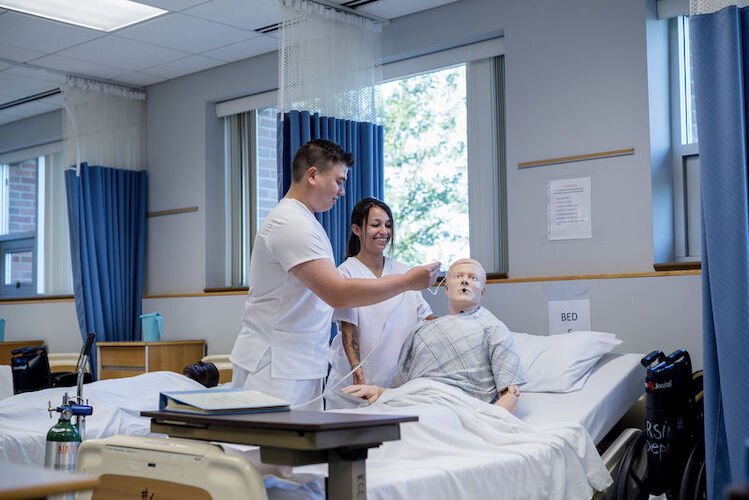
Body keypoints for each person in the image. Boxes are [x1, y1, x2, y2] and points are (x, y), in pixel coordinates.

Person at [230, 139, 440, 410]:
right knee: (264, 449)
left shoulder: (307, 222)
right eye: (339, 181)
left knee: (299, 450)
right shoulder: (290, 223)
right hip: (275, 366)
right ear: (313, 175)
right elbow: (337, 294)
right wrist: (409, 282)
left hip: (299, 364)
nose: (342, 192)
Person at [342, 258, 526, 413]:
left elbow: (510, 392)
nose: (464, 281)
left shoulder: (493, 328)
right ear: (446, 288)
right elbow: (400, 388)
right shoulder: (421, 331)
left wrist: (488, 421)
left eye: (473, 278)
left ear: (482, 292)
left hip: (459, 408)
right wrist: (380, 393)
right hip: (412, 403)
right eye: (458, 276)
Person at [325, 198, 436, 409]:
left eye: (388, 225)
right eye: (375, 225)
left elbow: (427, 320)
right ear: (357, 229)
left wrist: (461, 320)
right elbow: (349, 329)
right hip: (353, 388)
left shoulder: (404, 272)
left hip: (395, 387)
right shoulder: (345, 273)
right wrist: (357, 373)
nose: (384, 231)